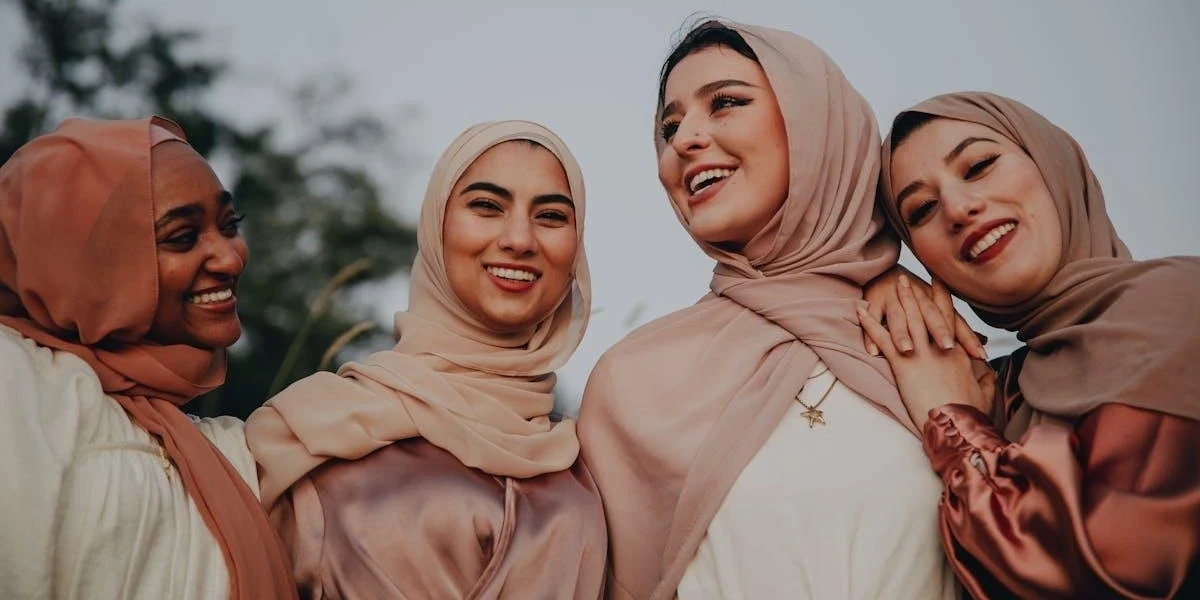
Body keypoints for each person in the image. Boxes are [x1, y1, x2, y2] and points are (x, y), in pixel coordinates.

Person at [578, 20, 958, 600]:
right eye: (669, 126)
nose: (684, 140)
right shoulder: (630, 382)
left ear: (816, 124)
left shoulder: (928, 333)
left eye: (725, 102)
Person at [246, 120, 607, 598]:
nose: (520, 238)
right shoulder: (311, 426)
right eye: (486, 206)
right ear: (436, 226)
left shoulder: (588, 451)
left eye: (552, 216)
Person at [861, 91, 1200, 598]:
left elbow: (1108, 574)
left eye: (978, 165)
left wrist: (954, 425)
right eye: (922, 209)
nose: (958, 207)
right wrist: (875, 277)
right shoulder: (1003, 385)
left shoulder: (1177, 307)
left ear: (1054, 163)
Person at [0, 116, 296, 599]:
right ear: (84, 257)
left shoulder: (217, 443)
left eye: (229, 225)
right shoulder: (16, 382)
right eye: (182, 237)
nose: (230, 258)